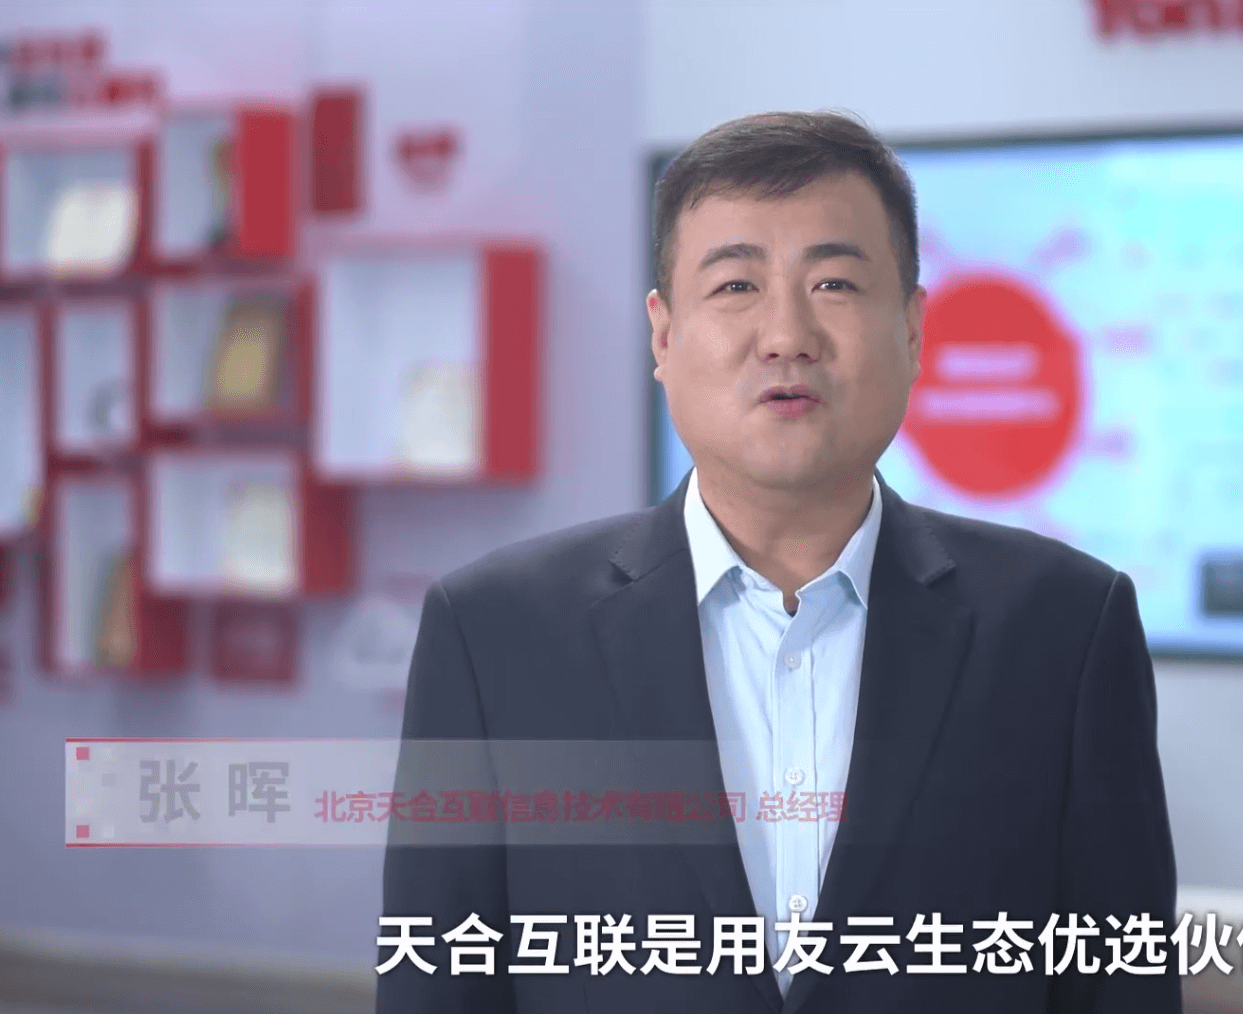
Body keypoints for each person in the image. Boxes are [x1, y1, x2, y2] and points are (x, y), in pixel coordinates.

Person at [377, 110, 1180, 1014]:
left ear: (913, 329)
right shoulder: (495, 637)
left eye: (834, 282)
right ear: (663, 336)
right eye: (736, 286)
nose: (787, 333)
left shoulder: (1064, 629)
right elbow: (436, 984)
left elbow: (1123, 987)